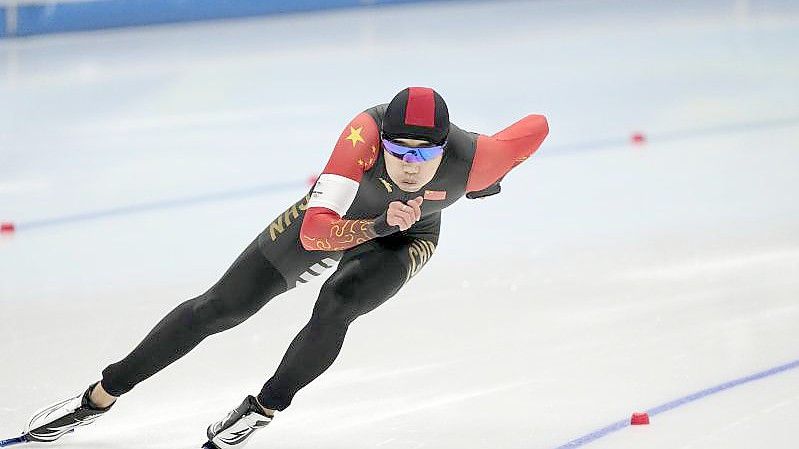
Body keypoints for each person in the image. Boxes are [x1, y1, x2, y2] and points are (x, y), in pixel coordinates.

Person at [18, 87, 549, 448]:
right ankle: (100, 396)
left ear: (446, 146)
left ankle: (265, 407)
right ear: (379, 142)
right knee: (220, 308)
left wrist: (482, 183)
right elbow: (317, 232)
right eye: (398, 152)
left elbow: (537, 126)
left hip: (410, 235)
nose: (409, 168)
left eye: (423, 156)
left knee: (338, 306)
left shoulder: (481, 157)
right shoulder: (358, 142)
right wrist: (377, 224)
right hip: (345, 219)